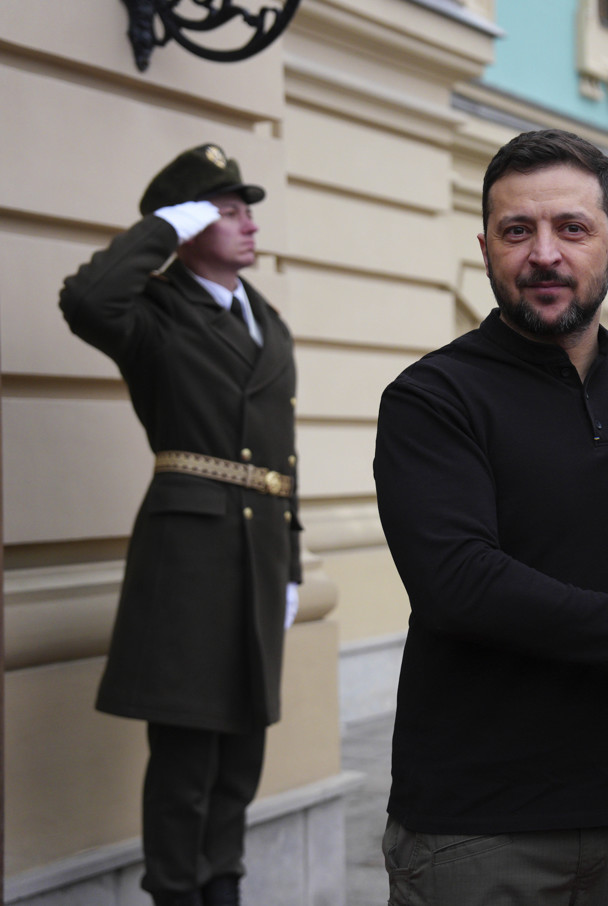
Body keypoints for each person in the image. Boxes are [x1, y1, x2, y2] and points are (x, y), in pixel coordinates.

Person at [372, 128, 608, 905]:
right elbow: (459, 584)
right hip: (476, 829)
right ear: (486, 248)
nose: (545, 254)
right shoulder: (433, 398)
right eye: (517, 231)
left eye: (572, 228)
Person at [59, 144, 302, 906]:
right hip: (190, 557)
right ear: (190, 224)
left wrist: (292, 564)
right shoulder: (154, 312)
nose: (248, 223)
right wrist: (163, 229)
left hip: (260, 554)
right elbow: (86, 300)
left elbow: (282, 457)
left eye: (246, 210)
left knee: (240, 756)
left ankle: (223, 887)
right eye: (226, 211)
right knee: (186, 759)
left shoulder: (267, 321)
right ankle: (174, 891)